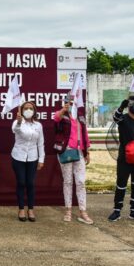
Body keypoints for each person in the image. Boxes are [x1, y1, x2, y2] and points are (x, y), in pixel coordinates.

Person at [53, 94, 93, 224]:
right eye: (67, 102)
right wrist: (63, 110)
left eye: (72, 102)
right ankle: (68, 210)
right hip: (65, 151)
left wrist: (87, 151)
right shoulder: (61, 115)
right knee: (68, 181)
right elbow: (55, 118)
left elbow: (85, 133)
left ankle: (83, 211)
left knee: (81, 182)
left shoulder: (80, 116)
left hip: (79, 152)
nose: (70, 104)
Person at [11, 101, 45, 222]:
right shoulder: (17, 122)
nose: (29, 110)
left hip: (33, 157)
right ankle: (21, 209)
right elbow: (16, 130)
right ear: (22, 110)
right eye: (26, 108)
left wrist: (41, 159)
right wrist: (19, 121)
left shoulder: (38, 125)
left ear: (34, 111)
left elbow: (40, 143)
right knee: (21, 182)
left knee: (30, 183)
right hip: (18, 157)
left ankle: (30, 209)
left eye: (31, 108)